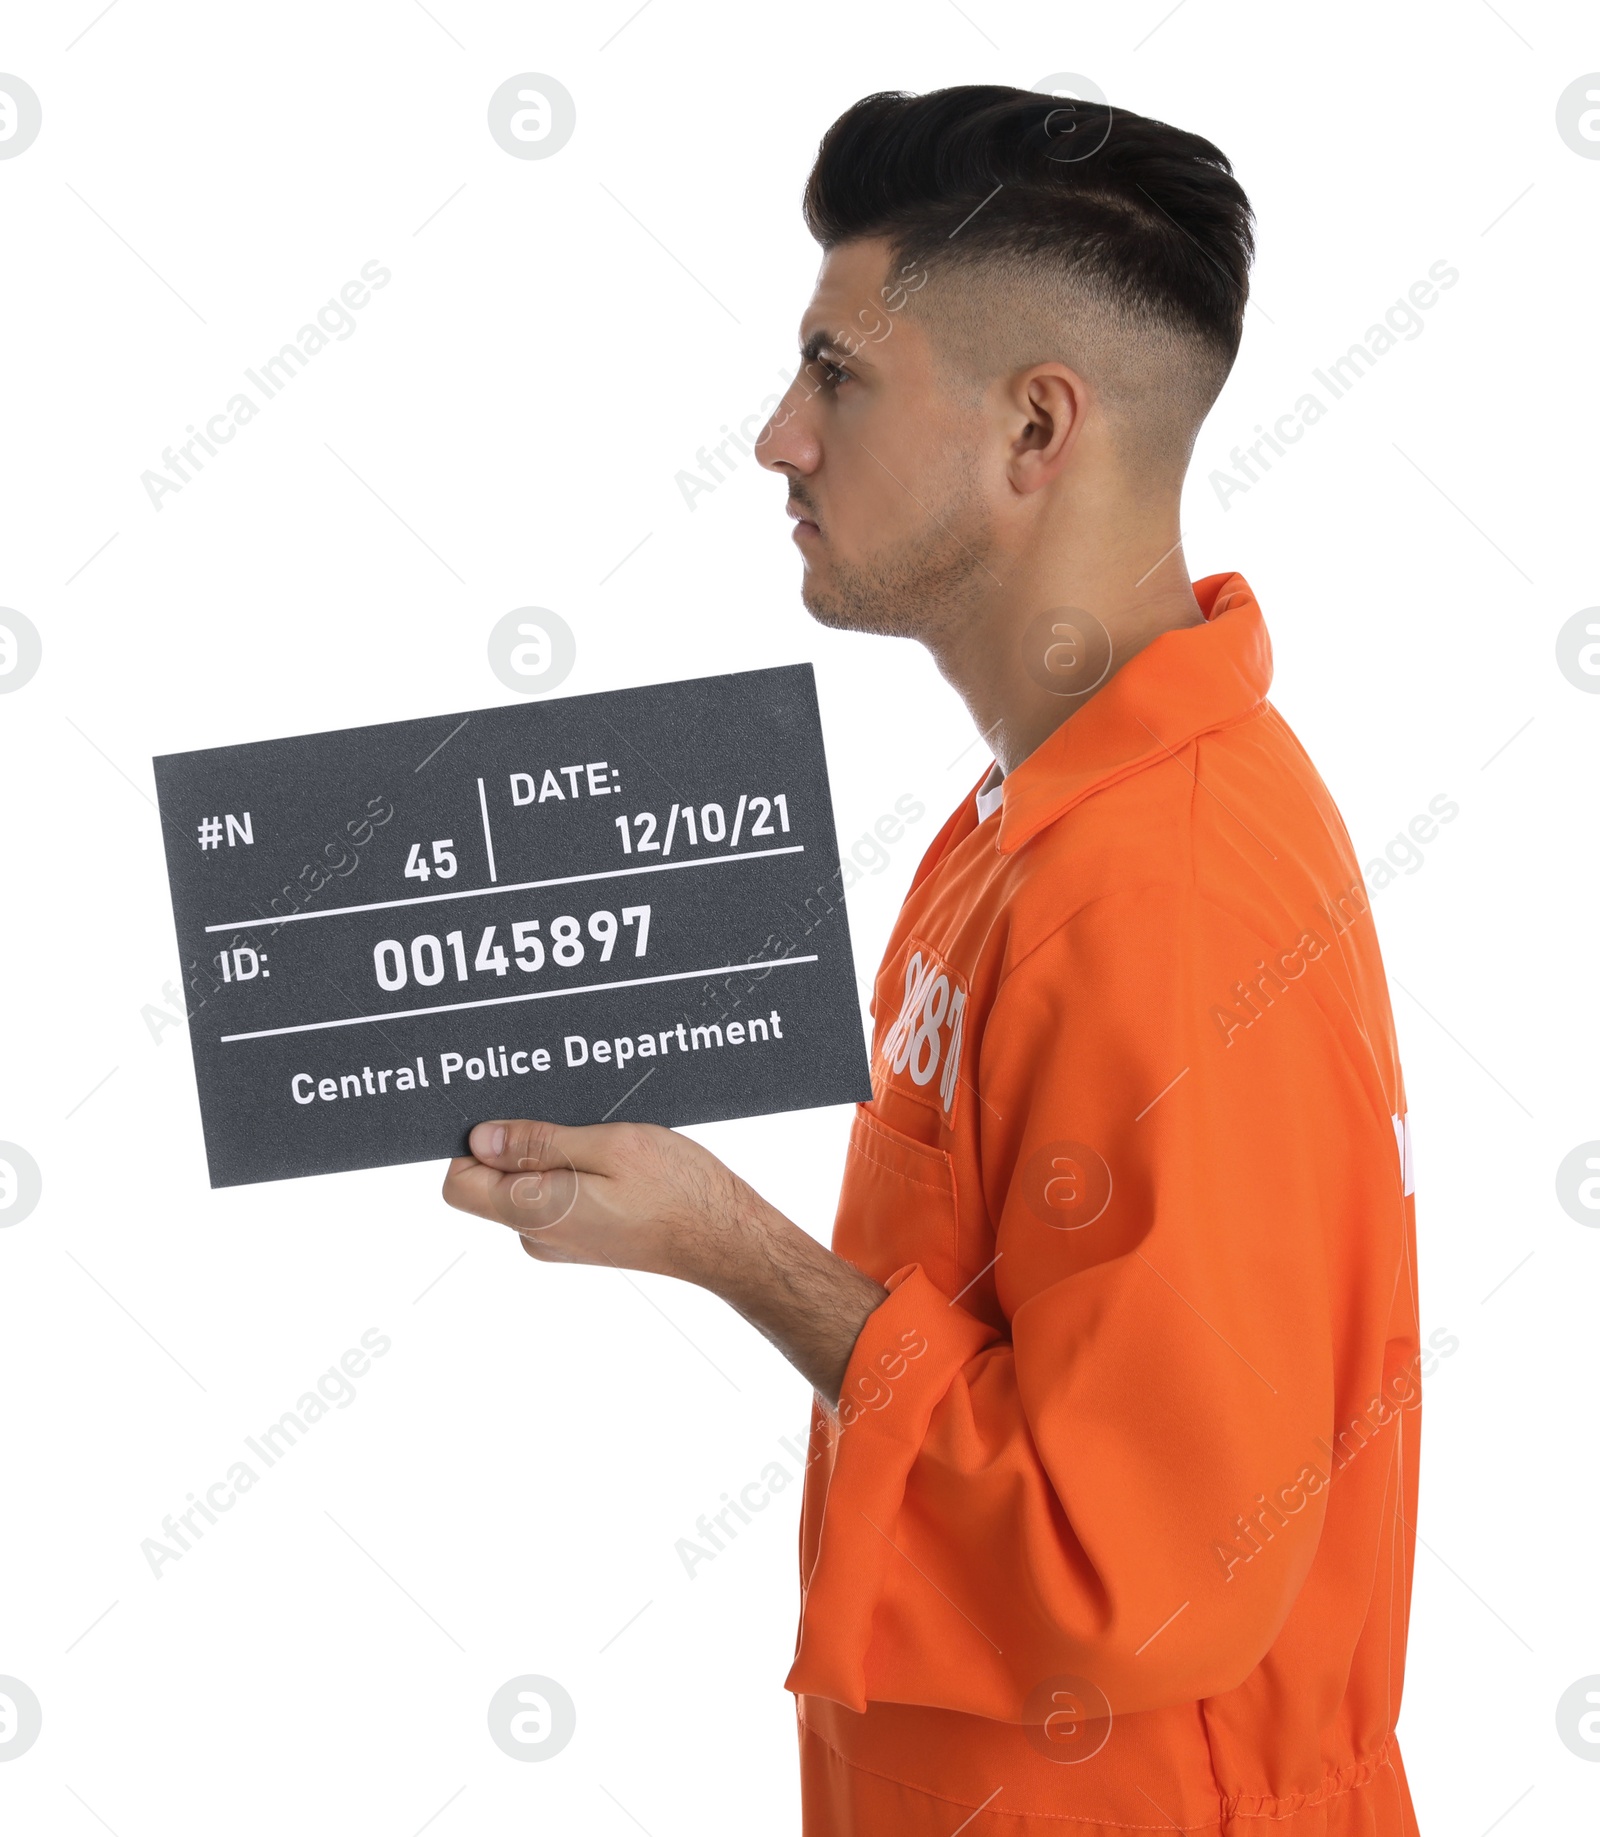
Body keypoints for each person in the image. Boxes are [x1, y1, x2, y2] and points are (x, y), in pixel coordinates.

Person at [444, 85, 1423, 1836]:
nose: (776, 438)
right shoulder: (1032, 829)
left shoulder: (1166, 899)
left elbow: (1146, 1570)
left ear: (1035, 429)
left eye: (837, 372)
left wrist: (730, 1247)